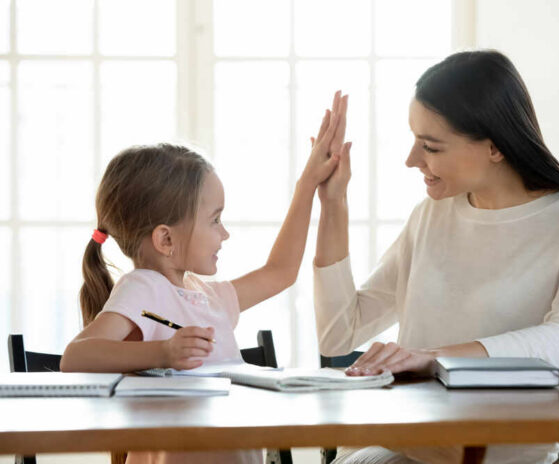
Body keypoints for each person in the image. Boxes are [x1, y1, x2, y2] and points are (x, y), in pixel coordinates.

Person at [312, 50, 559, 464]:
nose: (411, 160)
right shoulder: (431, 215)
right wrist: (334, 204)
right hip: (404, 443)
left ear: (494, 146)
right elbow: (339, 334)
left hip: (505, 452)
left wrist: (435, 357)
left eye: (431, 147)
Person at [60, 92, 349, 464]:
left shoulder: (204, 297)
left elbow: (280, 272)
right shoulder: (143, 289)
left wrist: (308, 185)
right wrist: (162, 352)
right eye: (215, 220)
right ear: (166, 239)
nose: (224, 233)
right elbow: (76, 356)